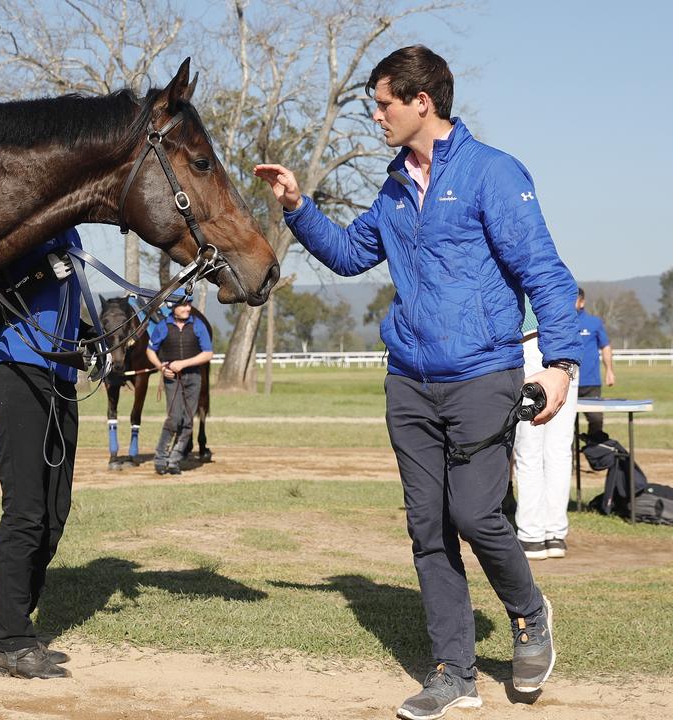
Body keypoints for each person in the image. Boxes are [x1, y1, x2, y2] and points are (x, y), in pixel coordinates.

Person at [254, 45, 581, 719]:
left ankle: (528, 614)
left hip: (482, 373)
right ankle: (453, 673)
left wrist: (559, 365)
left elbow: (545, 273)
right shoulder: (394, 187)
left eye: (382, 103)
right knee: (427, 527)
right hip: (408, 380)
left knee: (474, 513)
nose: (375, 116)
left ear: (420, 102)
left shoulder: (493, 174)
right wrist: (296, 206)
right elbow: (348, 255)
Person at [0, 227, 82, 680]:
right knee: (25, 511)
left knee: (54, 515)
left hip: (61, 379)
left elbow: (61, 310)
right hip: (18, 371)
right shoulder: (25, 218)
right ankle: (12, 641)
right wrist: (38, 270)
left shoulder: (72, 232)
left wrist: (86, 341)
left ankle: (15, 631)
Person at [513, 307, 579, 560]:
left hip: (530, 343)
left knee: (529, 450)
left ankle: (531, 535)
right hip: (565, 349)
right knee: (559, 450)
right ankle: (555, 534)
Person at [146, 293, 213, 475]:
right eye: (183, 305)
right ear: (172, 307)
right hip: (172, 379)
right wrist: (161, 367)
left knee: (188, 420)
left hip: (193, 378)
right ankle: (160, 458)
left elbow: (208, 354)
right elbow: (150, 350)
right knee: (174, 418)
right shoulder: (162, 327)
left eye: (189, 305)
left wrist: (183, 364)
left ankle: (175, 459)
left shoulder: (197, 325)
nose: (188, 308)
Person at [574, 288, 615, 438]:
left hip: (590, 382)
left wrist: (609, 371)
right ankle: (568, 458)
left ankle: (594, 453)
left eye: (574, 299)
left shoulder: (594, 323)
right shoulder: (562, 323)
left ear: (582, 302)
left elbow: (605, 347)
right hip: (567, 382)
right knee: (563, 425)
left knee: (596, 420)